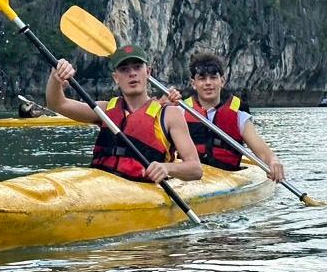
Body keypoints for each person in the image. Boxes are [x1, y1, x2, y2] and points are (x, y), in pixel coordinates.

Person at [46, 44, 202, 183]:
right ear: (116, 78)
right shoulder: (104, 110)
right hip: (100, 185)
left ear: (148, 72)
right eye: (124, 69)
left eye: (137, 67)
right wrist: (55, 77)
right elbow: (58, 104)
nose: (132, 73)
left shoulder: (169, 115)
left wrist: (167, 168)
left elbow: (195, 169)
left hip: (141, 191)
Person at [165, 51, 285, 182]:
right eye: (202, 78)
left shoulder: (239, 116)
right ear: (193, 83)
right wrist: (164, 106)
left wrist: (273, 161)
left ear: (222, 81)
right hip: (188, 179)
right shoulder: (178, 112)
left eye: (213, 78)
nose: (208, 83)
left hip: (226, 178)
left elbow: (262, 152)